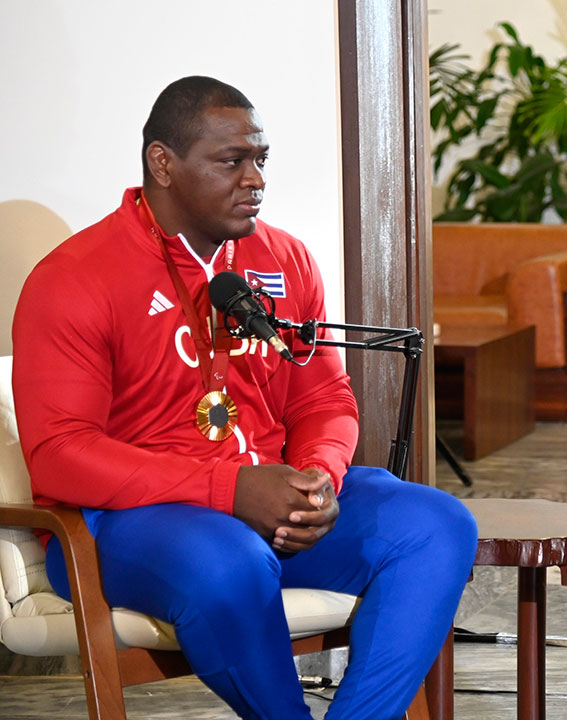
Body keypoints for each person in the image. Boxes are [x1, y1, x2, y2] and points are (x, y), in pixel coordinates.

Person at [11, 76, 478, 720]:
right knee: (229, 559)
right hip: (125, 526)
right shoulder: (73, 277)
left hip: (269, 509)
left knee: (437, 524)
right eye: (232, 161)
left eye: (261, 160)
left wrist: (319, 477)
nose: (255, 178)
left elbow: (325, 400)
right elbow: (61, 456)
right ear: (163, 164)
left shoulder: (285, 259)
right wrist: (229, 491)